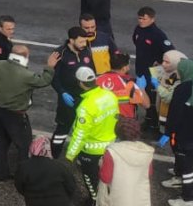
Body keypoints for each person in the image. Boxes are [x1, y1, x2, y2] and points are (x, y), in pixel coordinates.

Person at [0, 44, 62, 181]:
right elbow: (44, 80)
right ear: (26, 57)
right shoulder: (26, 75)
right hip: (16, 115)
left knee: (1, 143)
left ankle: (1, 174)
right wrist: (49, 67)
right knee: (24, 146)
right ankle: (23, 178)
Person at [66, 67, 120, 205]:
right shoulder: (110, 95)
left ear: (80, 83)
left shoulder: (86, 106)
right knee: (108, 178)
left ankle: (94, 201)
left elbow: (80, 134)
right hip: (111, 147)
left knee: (91, 179)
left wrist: (70, 155)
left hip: (91, 152)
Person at [52, 26, 94, 158]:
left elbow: (92, 71)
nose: (84, 44)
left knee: (83, 128)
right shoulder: (59, 54)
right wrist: (62, 93)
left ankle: (82, 156)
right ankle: (53, 155)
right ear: (71, 40)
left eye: (85, 41)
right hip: (68, 99)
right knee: (62, 130)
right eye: (81, 42)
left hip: (85, 97)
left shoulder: (86, 50)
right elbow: (54, 78)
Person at [133, 7, 174, 132]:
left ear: (152, 19)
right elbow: (136, 42)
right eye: (139, 18)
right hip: (141, 69)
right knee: (142, 94)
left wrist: (160, 62)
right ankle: (149, 118)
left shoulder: (158, 35)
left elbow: (171, 52)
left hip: (153, 73)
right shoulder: (138, 29)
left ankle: (154, 124)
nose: (141, 21)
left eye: (144, 19)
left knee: (152, 98)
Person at [97, 118, 153, 206]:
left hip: (119, 197)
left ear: (117, 132)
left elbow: (105, 178)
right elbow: (149, 173)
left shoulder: (112, 151)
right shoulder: (146, 151)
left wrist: (101, 164)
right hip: (139, 197)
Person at [14, 135, 80, 206]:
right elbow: (71, 186)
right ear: (48, 148)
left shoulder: (23, 166)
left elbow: (19, 186)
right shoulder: (59, 166)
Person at [162, 58, 193, 204]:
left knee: (187, 165)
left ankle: (187, 198)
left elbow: (175, 114)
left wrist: (168, 133)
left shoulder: (183, 89)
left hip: (185, 134)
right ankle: (179, 175)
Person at [97, 52, 151, 121]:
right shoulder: (129, 84)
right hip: (124, 125)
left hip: (103, 122)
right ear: (124, 68)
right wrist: (141, 88)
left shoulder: (97, 80)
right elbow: (146, 104)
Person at [157, 51, 188, 135]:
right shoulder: (167, 72)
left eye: (167, 62)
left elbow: (168, 97)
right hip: (163, 112)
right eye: (163, 61)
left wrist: (158, 86)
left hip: (171, 115)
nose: (163, 64)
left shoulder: (180, 79)